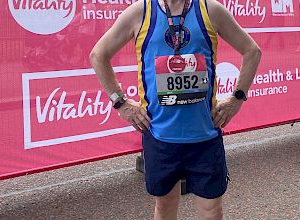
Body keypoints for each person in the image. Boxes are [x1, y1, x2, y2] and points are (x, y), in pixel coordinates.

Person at [89, 0, 261, 219]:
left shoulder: (211, 10)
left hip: (204, 138)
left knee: (211, 210)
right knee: (165, 206)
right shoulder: (140, 12)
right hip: (161, 139)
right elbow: (98, 55)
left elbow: (252, 50)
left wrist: (237, 97)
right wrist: (121, 103)